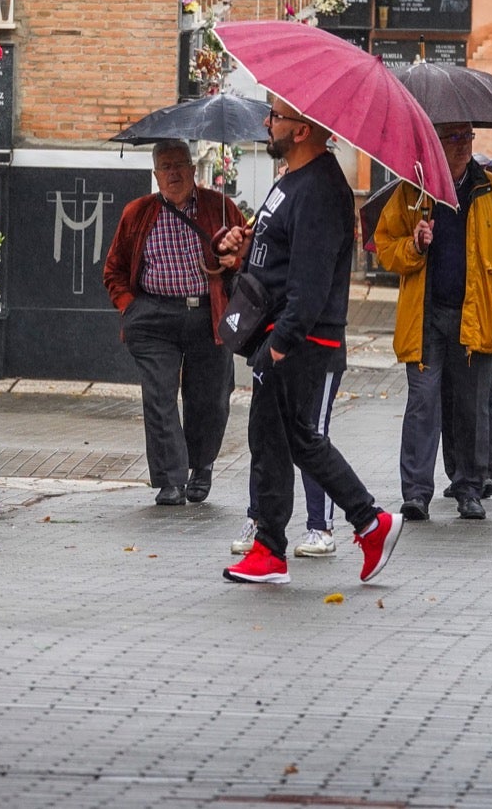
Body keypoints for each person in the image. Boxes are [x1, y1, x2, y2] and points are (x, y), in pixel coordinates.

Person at [215, 99, 401, 584]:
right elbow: (280, 257)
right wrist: (239, 257)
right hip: (281, 334)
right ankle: (367, 522)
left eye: (275, 116)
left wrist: (281, 342)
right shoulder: (293, 180)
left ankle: (275, 549)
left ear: (301, 131)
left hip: (298, 340)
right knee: (288, 439)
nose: (267, 123)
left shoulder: (320, 188)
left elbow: (312, 279)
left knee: (280, 440)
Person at [375, 121, 492, 521]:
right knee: (423, 403)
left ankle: (469, 487)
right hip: (426, 317)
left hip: (475, 316)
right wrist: (414, 244)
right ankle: (416, 492)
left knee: (471, 405)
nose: (462, 146)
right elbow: (385, 247)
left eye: (467, 138)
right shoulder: (413, 191)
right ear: (435, 143)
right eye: (453, 138)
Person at [103, 140, 244, 505]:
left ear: (193, 169)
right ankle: (170, 480)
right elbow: (114, 270)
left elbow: (251, 254)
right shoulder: (138, 213)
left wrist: (233, 261)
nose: (173, 173)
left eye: (180, 165)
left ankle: (201, 465)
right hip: (154, 317)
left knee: (210, 399)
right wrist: (130, 308)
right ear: (155, 174)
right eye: (165, 167)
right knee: (159, 395)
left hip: (207, 314)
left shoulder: (221, 208)